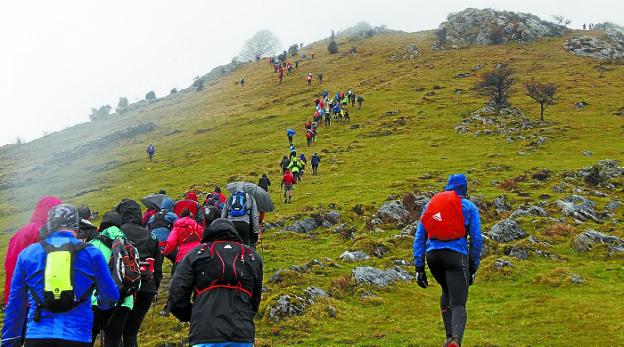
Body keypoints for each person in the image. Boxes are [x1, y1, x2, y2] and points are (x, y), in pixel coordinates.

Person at [2, 204, 119, 347]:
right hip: (77, 336)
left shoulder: (28, 254)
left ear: (50, 226)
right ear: (76, 228)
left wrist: (9, 341)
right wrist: (103, 304)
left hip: (37, 336)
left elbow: (15, 304)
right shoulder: (92, 254)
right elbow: (111, 296)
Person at [413, 174, 483, 347]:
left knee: (446, 290)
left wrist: (419, 266)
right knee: (459, 302)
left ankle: (449, 339)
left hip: (433, 257)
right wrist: (473, 266)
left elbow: (419, 236)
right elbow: (476, 239)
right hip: (455, 255)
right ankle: (456, 341)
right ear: (465, 189)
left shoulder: (432, 206)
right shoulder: (469, 207)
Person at [169, 219, 263, 347]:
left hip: (204, 332)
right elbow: (255, 301)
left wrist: (193, 315)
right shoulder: (251, 256)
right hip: (242, 332)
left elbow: (177, 295)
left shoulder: (195, 254)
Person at [115, 199, 163, 347]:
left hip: (122, 287)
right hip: (146, 288)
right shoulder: (151, 236)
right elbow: (158, 268)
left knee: (115, 333)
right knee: (131, 333)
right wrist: (154, 286)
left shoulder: (116, 234)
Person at [3, 196, 62, 305]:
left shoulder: (22, 231)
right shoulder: (41, 232)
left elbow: (10, 263)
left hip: (16, 294)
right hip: (34, 298)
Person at [90, 211, 135, 347]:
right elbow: (135, 279)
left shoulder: (92, 245)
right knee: (114, 341)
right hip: (123, 301)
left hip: (95, 300)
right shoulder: (129, 246)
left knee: (87, 339)